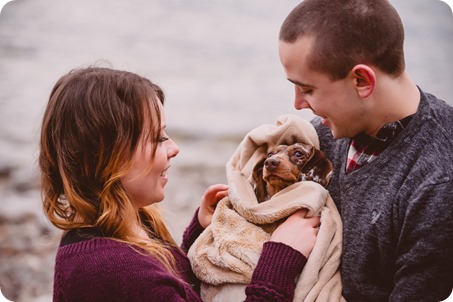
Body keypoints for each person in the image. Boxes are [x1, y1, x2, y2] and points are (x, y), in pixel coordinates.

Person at [39, 66, 320, 302]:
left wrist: (198, 233)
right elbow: (150, 286)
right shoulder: (114, 271)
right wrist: (280, 260)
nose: (174, 148)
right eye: (158, 138)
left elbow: (171, 289)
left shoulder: (123, 230)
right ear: (109, 156)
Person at [278, 0, 453, 301]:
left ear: (361, 80)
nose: (298, 104)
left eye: (307, 89)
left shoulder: (438, 183)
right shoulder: (323, 133)